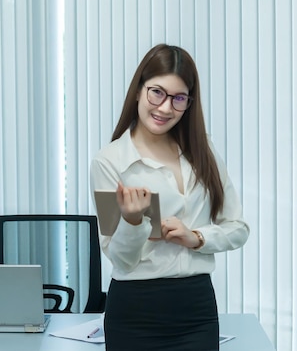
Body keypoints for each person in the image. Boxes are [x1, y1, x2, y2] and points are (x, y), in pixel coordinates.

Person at [90, 44, 250, 351]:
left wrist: (197, 237)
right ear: (138, 91)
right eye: (157, 93)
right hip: (135, 313)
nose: (165, 108)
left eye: (179, 99)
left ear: (189, 103)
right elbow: (121, 259)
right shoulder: (109, 161)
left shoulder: (203, 150)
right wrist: (133, 220)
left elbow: (238, 228)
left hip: (196, 309)